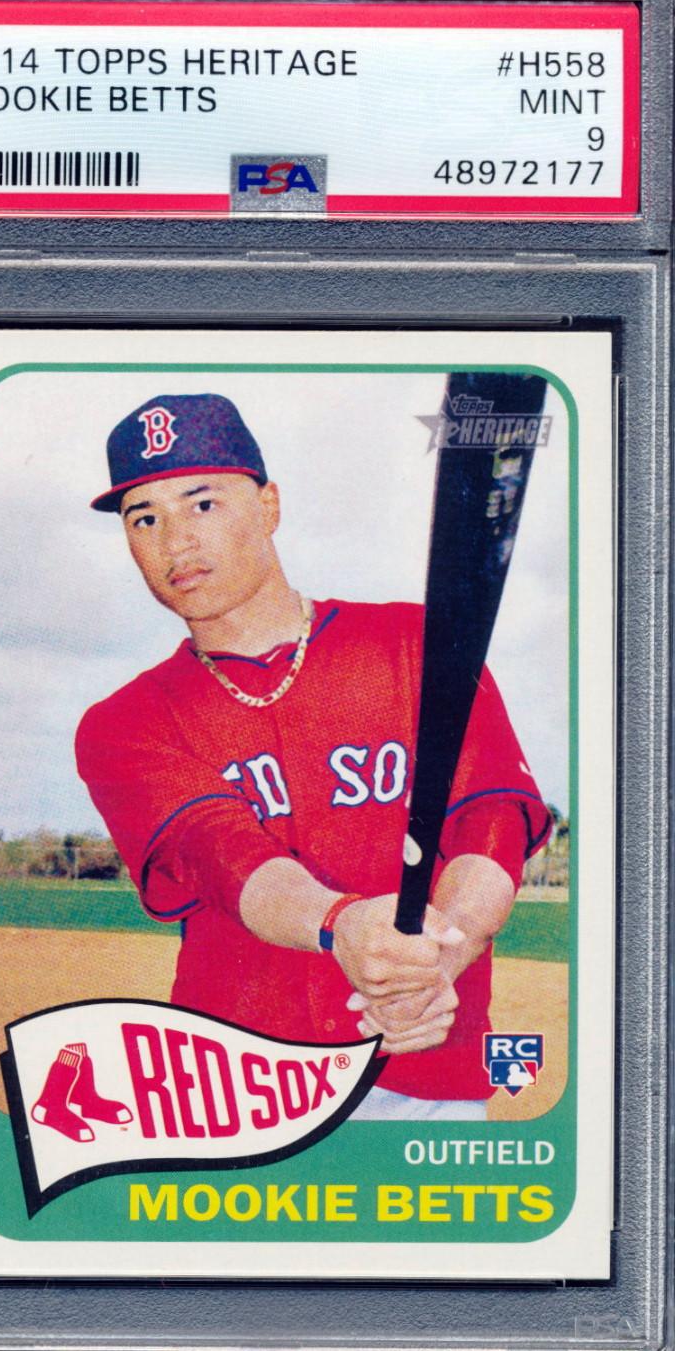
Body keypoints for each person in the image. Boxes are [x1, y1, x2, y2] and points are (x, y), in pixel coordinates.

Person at [76, 392, 552, 1121]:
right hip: (237, 1089)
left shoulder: (419, 645)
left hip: (424, 1070)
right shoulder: (123, 724)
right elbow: (225, 856)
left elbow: (490, 825)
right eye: (144, 518)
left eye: (202, 503)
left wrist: (437, 960)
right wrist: (342, 925)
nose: (175, 541)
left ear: (269, 505)